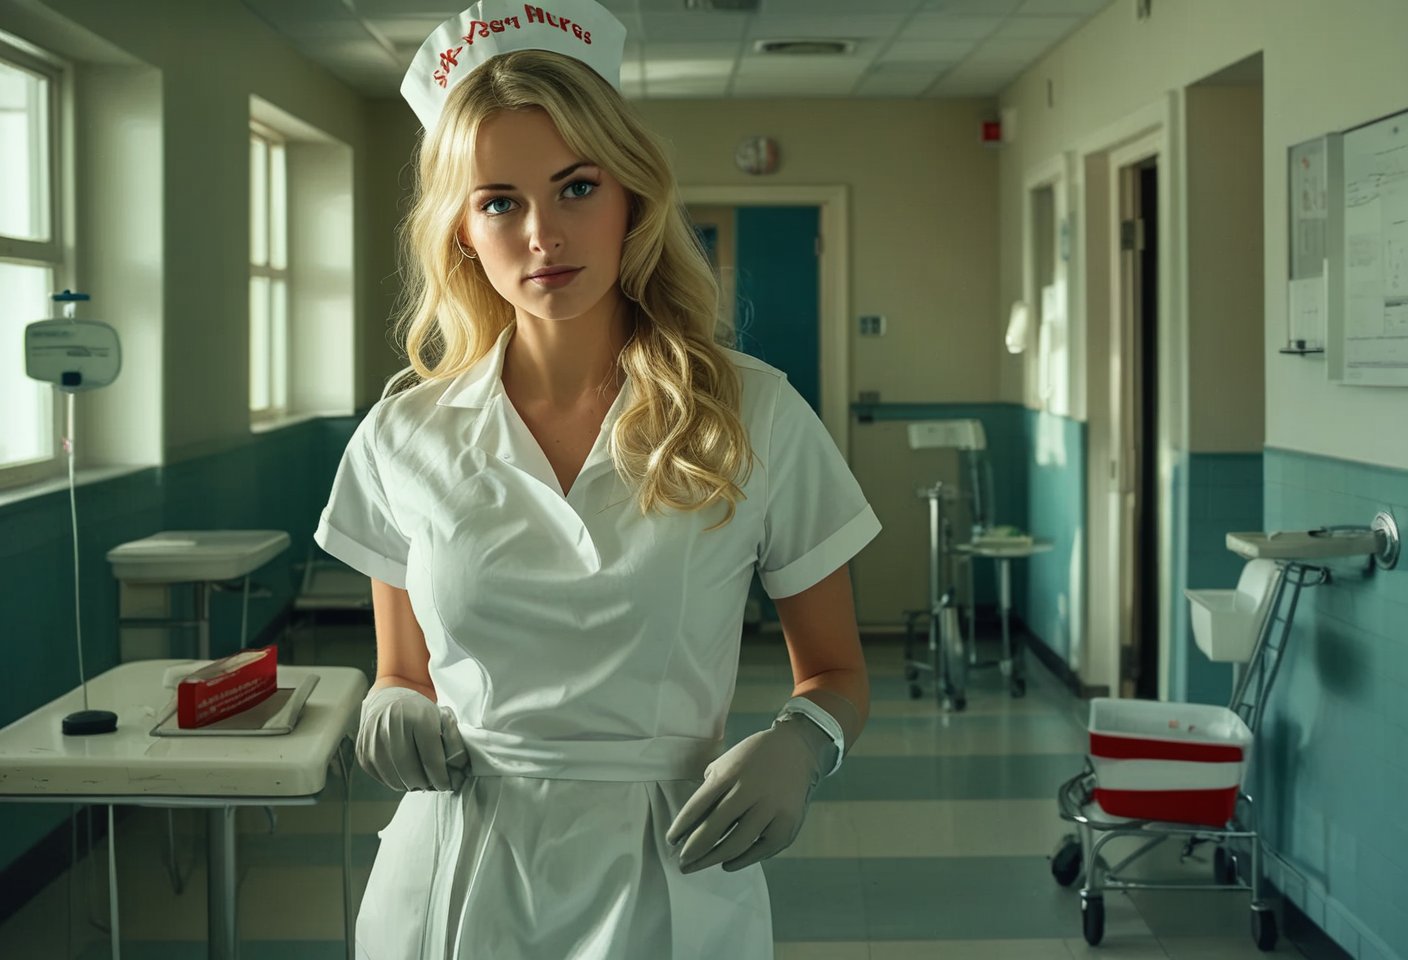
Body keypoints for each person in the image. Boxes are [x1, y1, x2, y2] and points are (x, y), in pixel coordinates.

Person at [313, 1, 882, 956]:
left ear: (631, 199)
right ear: (461, 229)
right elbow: (402, 672)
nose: (543, 234)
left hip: (669, 875)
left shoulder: (755, 413)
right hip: (452, 873)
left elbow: (838, 674)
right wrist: (391, 706)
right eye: (500, 200)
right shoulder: (402, 434)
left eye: (576, 188)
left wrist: (803, 743)